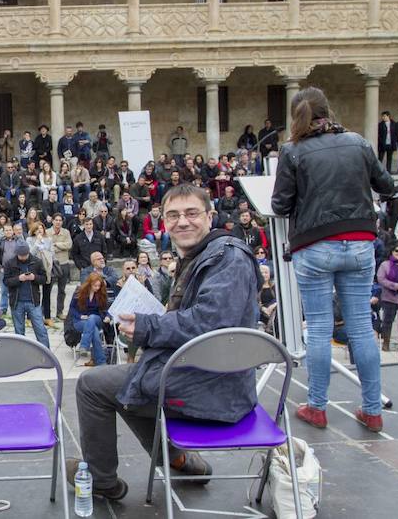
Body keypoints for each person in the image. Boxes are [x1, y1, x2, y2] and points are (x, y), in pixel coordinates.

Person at [68, 183, 261, 500]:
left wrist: (147, 325)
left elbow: (209, 323)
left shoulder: (229, 259)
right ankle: (177, 459)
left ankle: (102, 480)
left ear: (210, 216)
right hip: (204, 377)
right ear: (165, 222)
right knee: (131, 381)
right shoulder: (205, 254)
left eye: (191, 213)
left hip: (215, 389)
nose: (182, 221)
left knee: (94, 385)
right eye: (173, 215)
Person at [272, 86, 394, 433]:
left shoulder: (292, 152)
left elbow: (280, 205)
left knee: (321, 328)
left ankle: (317, 406)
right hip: (359, 242)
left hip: (314, 245)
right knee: (361, 330)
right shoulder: (357, 142)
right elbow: (384, 184)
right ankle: (372, 411)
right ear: (329, 111)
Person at [3, 241, 50, 348]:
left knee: (40, 329)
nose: (23, 257)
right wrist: (19, 279)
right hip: (16, 302)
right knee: (19, 332)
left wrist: (34, 278)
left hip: (33, 302)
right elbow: (6, 281)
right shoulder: (10, 263)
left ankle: (47, 354)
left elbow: (44, 279)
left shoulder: (37, 262)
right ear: (17, 253)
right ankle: (21, 355)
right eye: (21, 255)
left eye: (25, 255)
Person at [68, 273, 110, 367]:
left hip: (97, 319)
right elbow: (72, 309)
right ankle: (101, 362)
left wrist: (108, 316)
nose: (97, 288)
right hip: (80, 321)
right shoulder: (79, 292)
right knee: (94, 331)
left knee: (91, 318)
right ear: (89, 284)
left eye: (99, 286)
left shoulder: (101, 294)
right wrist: (80, 316)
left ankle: (84, 345)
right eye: (95, 286)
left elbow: (105, 309)